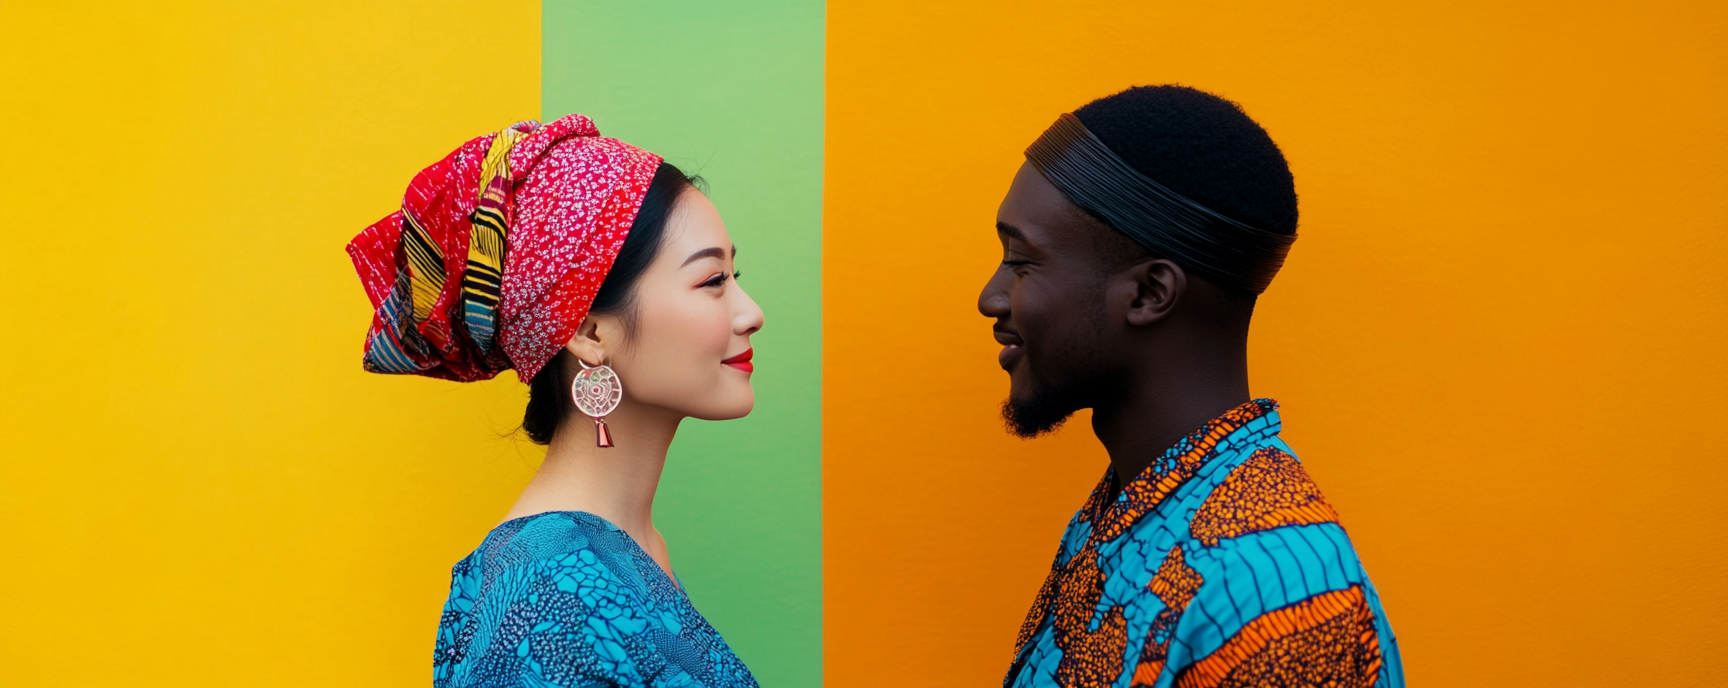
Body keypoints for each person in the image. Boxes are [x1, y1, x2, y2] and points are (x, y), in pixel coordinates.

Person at [979, 86, 1404, 687]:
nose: (990, 297)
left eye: (1022, 263)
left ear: (1151, 293)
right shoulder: (1136, 513)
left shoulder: (1267, 594)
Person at [347, 115, 763, 687]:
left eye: (734, 274)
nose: (751, 312)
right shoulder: (546, 595)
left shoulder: (619, 551)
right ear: (590, 332)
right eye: (713, 280)